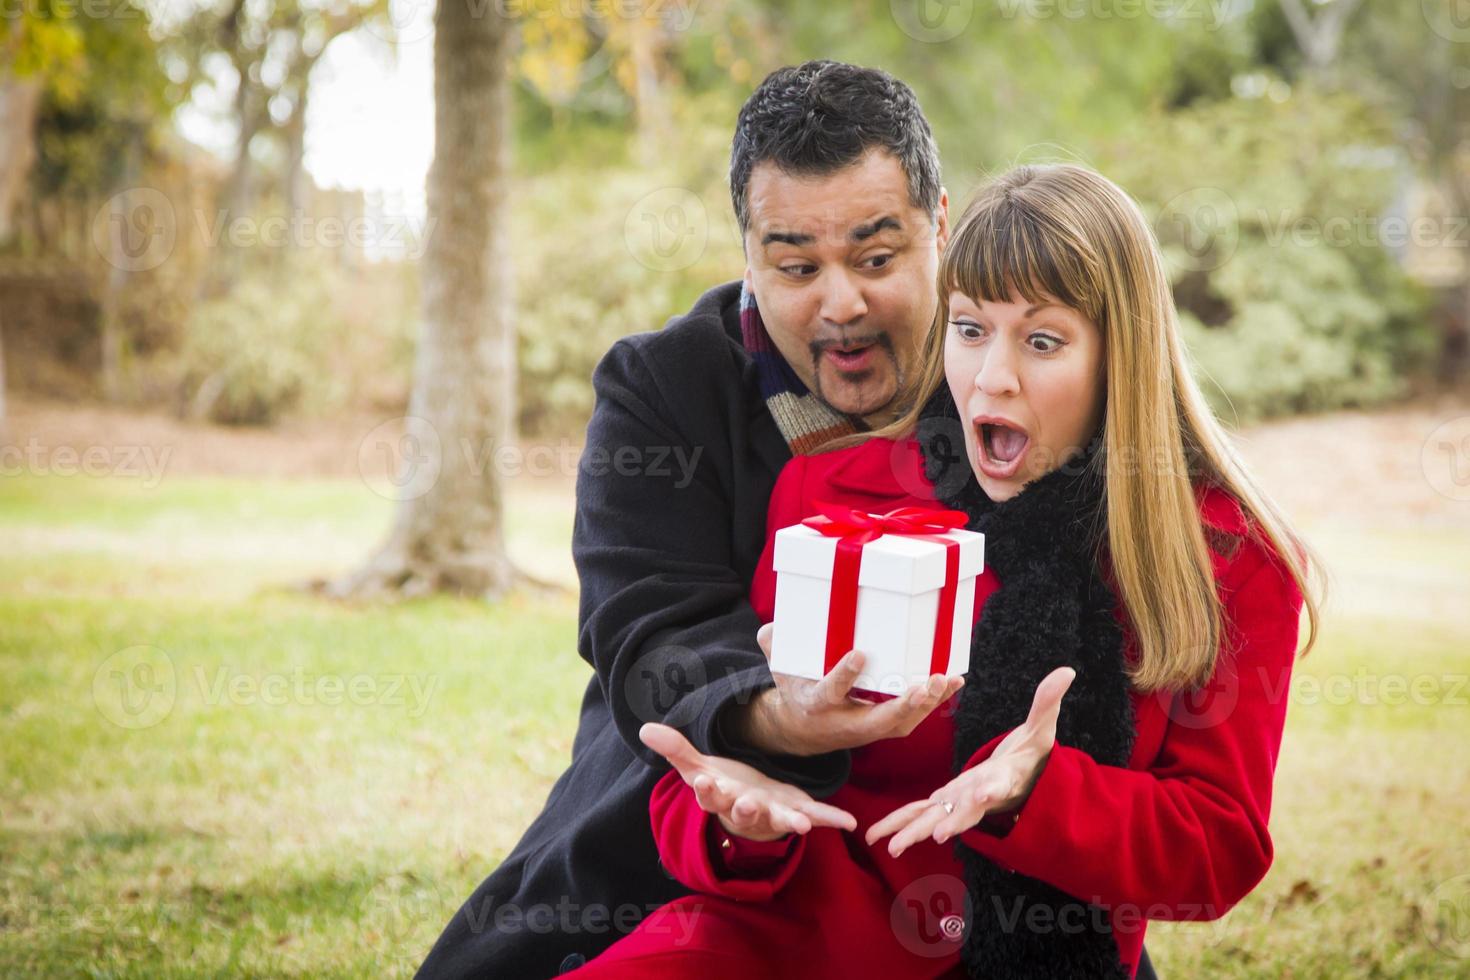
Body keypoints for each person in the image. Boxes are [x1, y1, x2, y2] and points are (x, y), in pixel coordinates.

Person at [565, 163, 1320, 979]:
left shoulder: (1224, 560)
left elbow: (1218, 848)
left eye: (1041, 340)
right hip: (779, 947)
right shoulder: (834, 495)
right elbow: (694, 792)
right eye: (968, 329)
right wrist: (738, 824)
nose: (992, 376)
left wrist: (1041, 790)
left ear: (1119, 357)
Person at [416, 61, 961, 979]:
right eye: (796, 266)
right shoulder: (662, 387)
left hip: (947, 840)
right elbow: (645, 628)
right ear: (746, 251)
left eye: (875, 258)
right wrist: (776, 717)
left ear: (939, 224)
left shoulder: (1003, 371)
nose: (840, 303)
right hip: (701, 802)